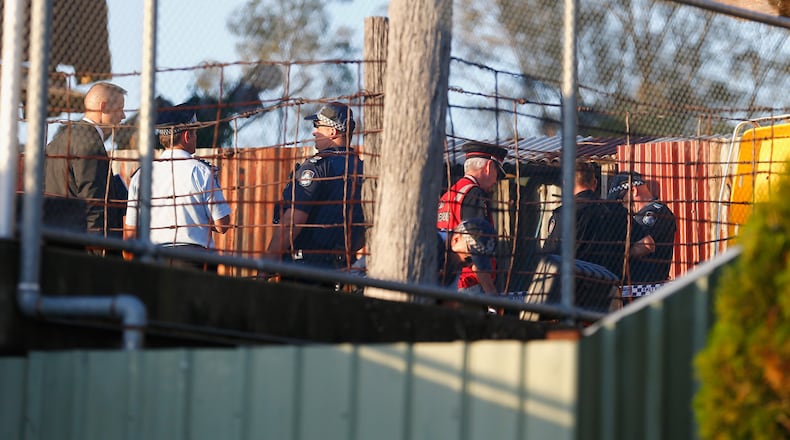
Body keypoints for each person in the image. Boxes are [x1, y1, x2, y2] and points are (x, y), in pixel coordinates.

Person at [123, 103, 231, 270]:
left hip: (153, 259)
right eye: (195, 133)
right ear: (187, 136)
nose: (196, 138)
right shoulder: (201, 171)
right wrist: (198, 220)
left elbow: (129, 233)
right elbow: (222, 224)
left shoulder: (140, 176)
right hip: (194, 261)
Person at [265, 102, 364, 272]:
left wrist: (267, 263)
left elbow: (293, 221)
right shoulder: (362, 169)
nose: (314, 131)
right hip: (343, 267)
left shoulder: (317, 166)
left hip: (305, 267)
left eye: (318, 126)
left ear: (332, 132)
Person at [44, 82, 128, 244]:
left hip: (54, 237)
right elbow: (93, 199)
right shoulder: (91, 144)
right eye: (120, 108)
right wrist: (98, 248)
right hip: (83, 244)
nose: (124, 116)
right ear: (103, 107)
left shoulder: (56, 143)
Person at [436, 141, 507, 295]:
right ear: (489, 167)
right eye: (498, 173)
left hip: (448, 280)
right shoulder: (475, 194)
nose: (496, 180)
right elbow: (476, 243)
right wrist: (490, 291)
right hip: (470, 284)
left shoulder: (449, 194)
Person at [543, 161, 627, 278]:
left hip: (575, 283)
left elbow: (552, 253)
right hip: (608, 282)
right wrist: (617, 253)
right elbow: (645, 245)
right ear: (595, 183)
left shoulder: (563, 213)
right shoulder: (616, 210)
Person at [607, 172, 677, 284]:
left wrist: (613, 255)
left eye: (620, 199)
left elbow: (644, 245)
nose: (620, 205)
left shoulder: (655, 212)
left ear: (633, 191)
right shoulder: (640, 214)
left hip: (647, 286)